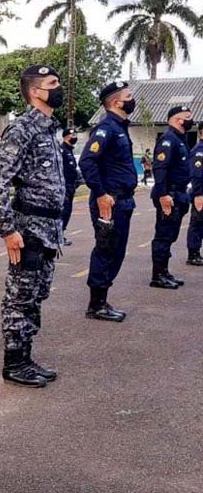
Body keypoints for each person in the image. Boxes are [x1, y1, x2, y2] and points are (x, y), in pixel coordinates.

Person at [0, 65, 65, 388]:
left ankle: (26, 356)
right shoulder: (22, 129)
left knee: (36, 295)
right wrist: (8, 230)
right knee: (20, 296)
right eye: (52, 83)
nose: (58, 87)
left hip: (49, 229)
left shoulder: (50, 129)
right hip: (28, 228)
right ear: (35, 91)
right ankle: (14, 363)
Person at [79, 80, 138, 322]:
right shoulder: (106, 129)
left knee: (116, 251)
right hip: (109, 202)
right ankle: (96, 305)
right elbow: (87, 162)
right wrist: (101, 193)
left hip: (123, 201)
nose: (132, 98)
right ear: (115, 102)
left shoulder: (120, 127)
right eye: (128, 95)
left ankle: (102, 300)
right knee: (106, 249)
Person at [148, 106, 194, 289]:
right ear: (177, 119)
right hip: (170, 194)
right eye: (188, 117)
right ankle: (157, 275)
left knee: (170, 236)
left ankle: (164, 271)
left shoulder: (180, 140)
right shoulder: (168, 140)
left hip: (179, 194)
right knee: (163, 236)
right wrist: (163, 195)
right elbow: (160, 168)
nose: (192, 120)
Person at [60, 128, 82, 246]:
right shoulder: (62, 150)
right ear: (65, 136)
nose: (74, 136)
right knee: (64, 211)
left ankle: (61, 234)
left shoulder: (69, 150)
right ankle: (59, 236)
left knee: (67, 212)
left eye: (75, 134)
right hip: (64, 187)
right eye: (72, 134)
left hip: (71, 186)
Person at [187, 123, 203, 266]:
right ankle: (193, 254)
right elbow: (196, 175)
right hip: (201, 194)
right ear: (200, 133)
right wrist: (198, 194)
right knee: (197, 224)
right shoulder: (199, 151)